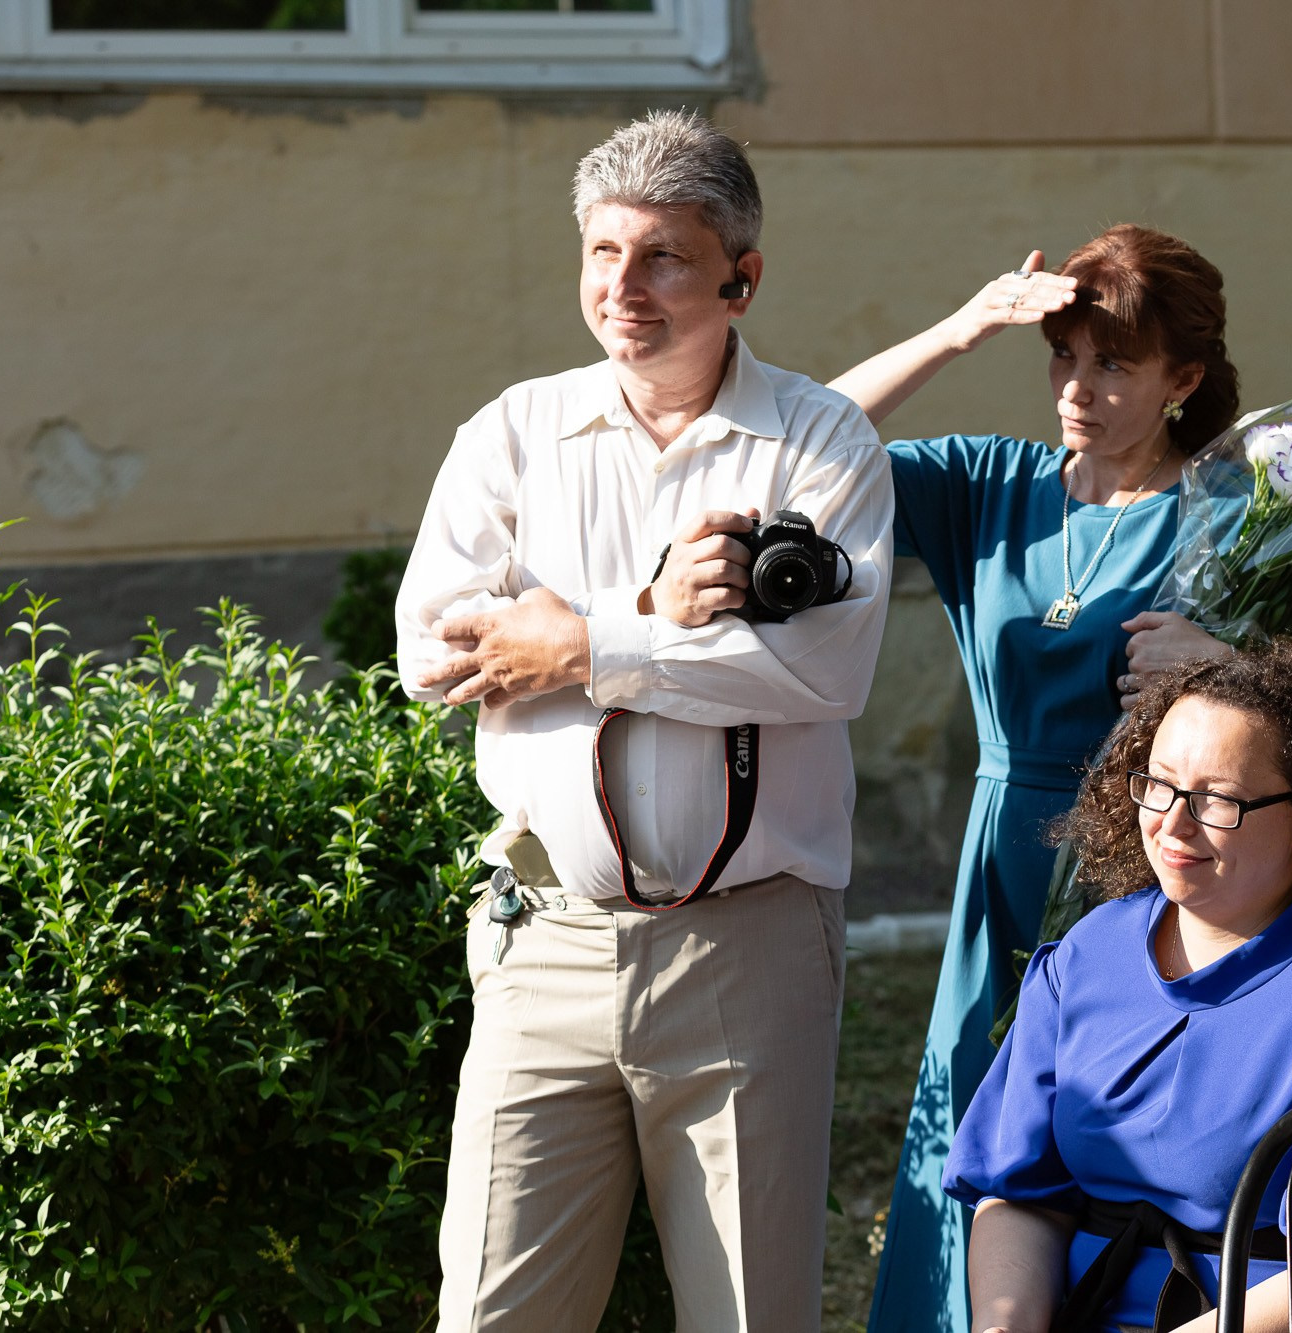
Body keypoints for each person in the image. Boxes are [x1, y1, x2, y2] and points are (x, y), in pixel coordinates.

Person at [394, 109, 893, 1332]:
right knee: (492, 1313)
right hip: (542, 941)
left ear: (740, 277)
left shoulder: (820, 441)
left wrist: (570, 648)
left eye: (664, 256)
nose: (623, 288)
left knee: (749, 1314)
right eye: (602, 252)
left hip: (750, 952)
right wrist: (642, 614)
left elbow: (820, 674)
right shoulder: (513, 432)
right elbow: (432, 654)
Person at [828, 225, 1241, 1330]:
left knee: (1106, 1118)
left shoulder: (1232, 520)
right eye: (1062, 355)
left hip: (1144, 865)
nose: (1075, 387)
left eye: (1112, 364)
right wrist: (960, 330)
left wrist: (1225, 665)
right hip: (1003, 850)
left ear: (1181, 380)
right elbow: (802, 439)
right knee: (975, 1107)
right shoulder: (989, 481)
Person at [942, 644, 1292, 1333]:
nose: (1172, 823)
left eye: (1217, 800)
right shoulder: (1088, 954)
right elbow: (1021, 1191)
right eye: (1159, 783)